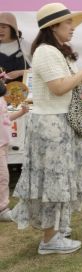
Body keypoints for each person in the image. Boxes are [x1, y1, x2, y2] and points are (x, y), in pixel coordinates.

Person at [11, 3, 82, 255]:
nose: (72, 28)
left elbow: (75, 84)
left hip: (60, 123)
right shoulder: (46, 52)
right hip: (50, 125)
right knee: (53, 180)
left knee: (61, 178)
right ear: (53, 26)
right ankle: (49, 239)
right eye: (68, 23)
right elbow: (59, 88)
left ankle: (56, 230)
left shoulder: (56, 51)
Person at [0, 73, 29, 222]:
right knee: (3, 177)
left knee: (3, 177)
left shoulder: (1, 100)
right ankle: (2, 209)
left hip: (3, 144)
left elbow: (5, 118)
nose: (5, 84)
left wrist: (21, 113)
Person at [0, 12, 32, 82]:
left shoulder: (25, 45)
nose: (0, 30)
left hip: (23, 88)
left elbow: (39, 69)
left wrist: (20, 72)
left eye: (3, 27)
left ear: (12, 28)